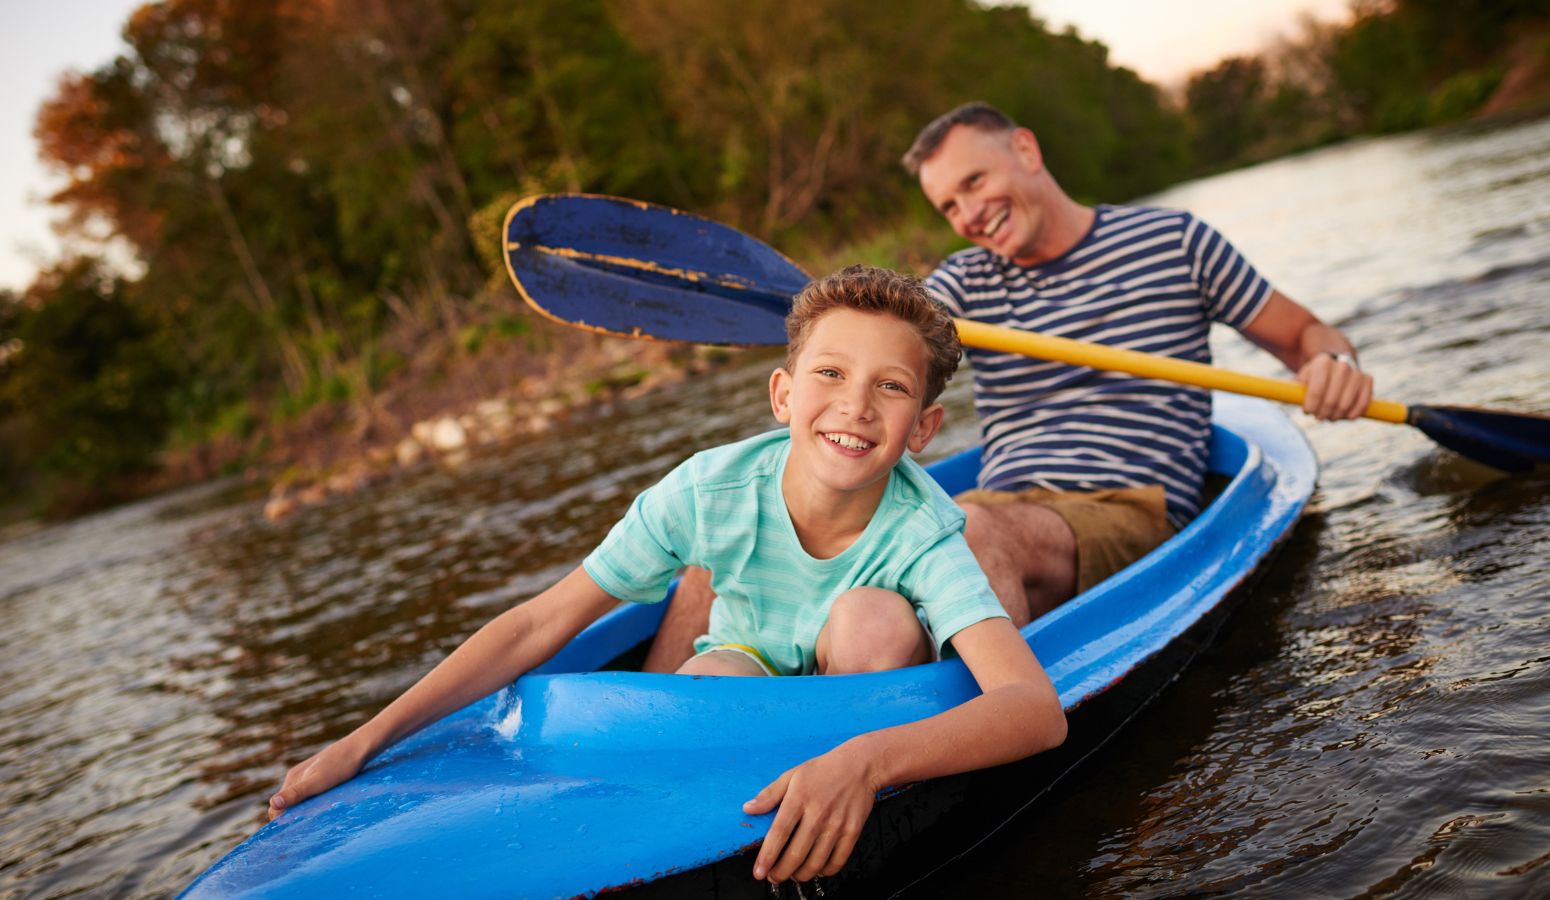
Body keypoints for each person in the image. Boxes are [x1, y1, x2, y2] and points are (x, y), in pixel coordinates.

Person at [267, 265, 1066, 886]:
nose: (854, 406)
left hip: (865, 687)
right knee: (700, 687)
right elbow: (541, 623)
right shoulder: (704, 492)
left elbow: (1033, 710)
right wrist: (364, 740)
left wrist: (869, 759)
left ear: (925, 428)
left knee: (871, 620)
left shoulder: (926, 532)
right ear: (782, 396)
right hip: (751, 660)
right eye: (829, 375)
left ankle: (839, 804)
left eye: (889, 387)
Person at [643, 101, 1373, 672]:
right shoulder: (959, 284)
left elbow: (1308, 335)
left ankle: (958, 731)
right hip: (994, 501)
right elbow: (874, 341)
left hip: (1125, 507)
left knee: (974, 533)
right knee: (741, 517)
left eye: (974, 182)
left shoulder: (1174, 242)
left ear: (1025, 150)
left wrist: (1330, 366)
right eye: (949, 207)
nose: (968, 214)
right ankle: (656, 721)